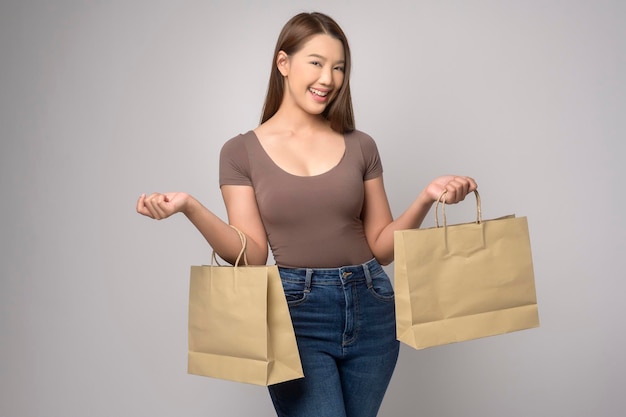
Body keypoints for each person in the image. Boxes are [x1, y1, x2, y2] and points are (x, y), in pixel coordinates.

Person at [137, 11, 477, 417]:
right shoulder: (240, 151)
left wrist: (426, 197)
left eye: (338, 68)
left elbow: (383, 247)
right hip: (297, 313)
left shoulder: (361, 145)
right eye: (316, 63)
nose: (328, 79)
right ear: (284, 63)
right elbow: (252, 254)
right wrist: (190, 207)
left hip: (372, 304)